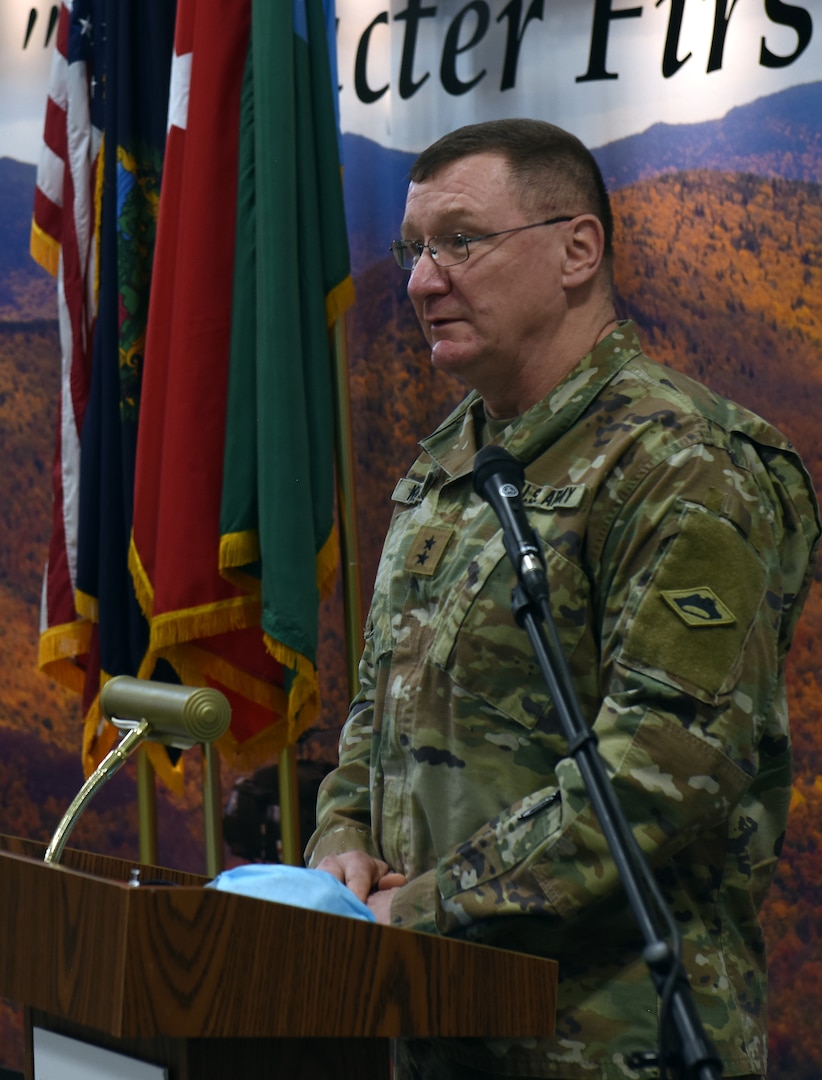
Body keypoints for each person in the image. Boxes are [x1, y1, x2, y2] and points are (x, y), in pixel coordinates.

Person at [304, 119, 820, 1079]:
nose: (421, 281)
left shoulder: (683, 463)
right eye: (412, 248)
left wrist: (420, 910)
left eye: (461, 241)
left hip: (611, 1037)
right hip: (436, 1025)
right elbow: (375, 723)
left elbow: (658, 783)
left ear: (578, 249)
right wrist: (342, 842)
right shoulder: (447, 467)